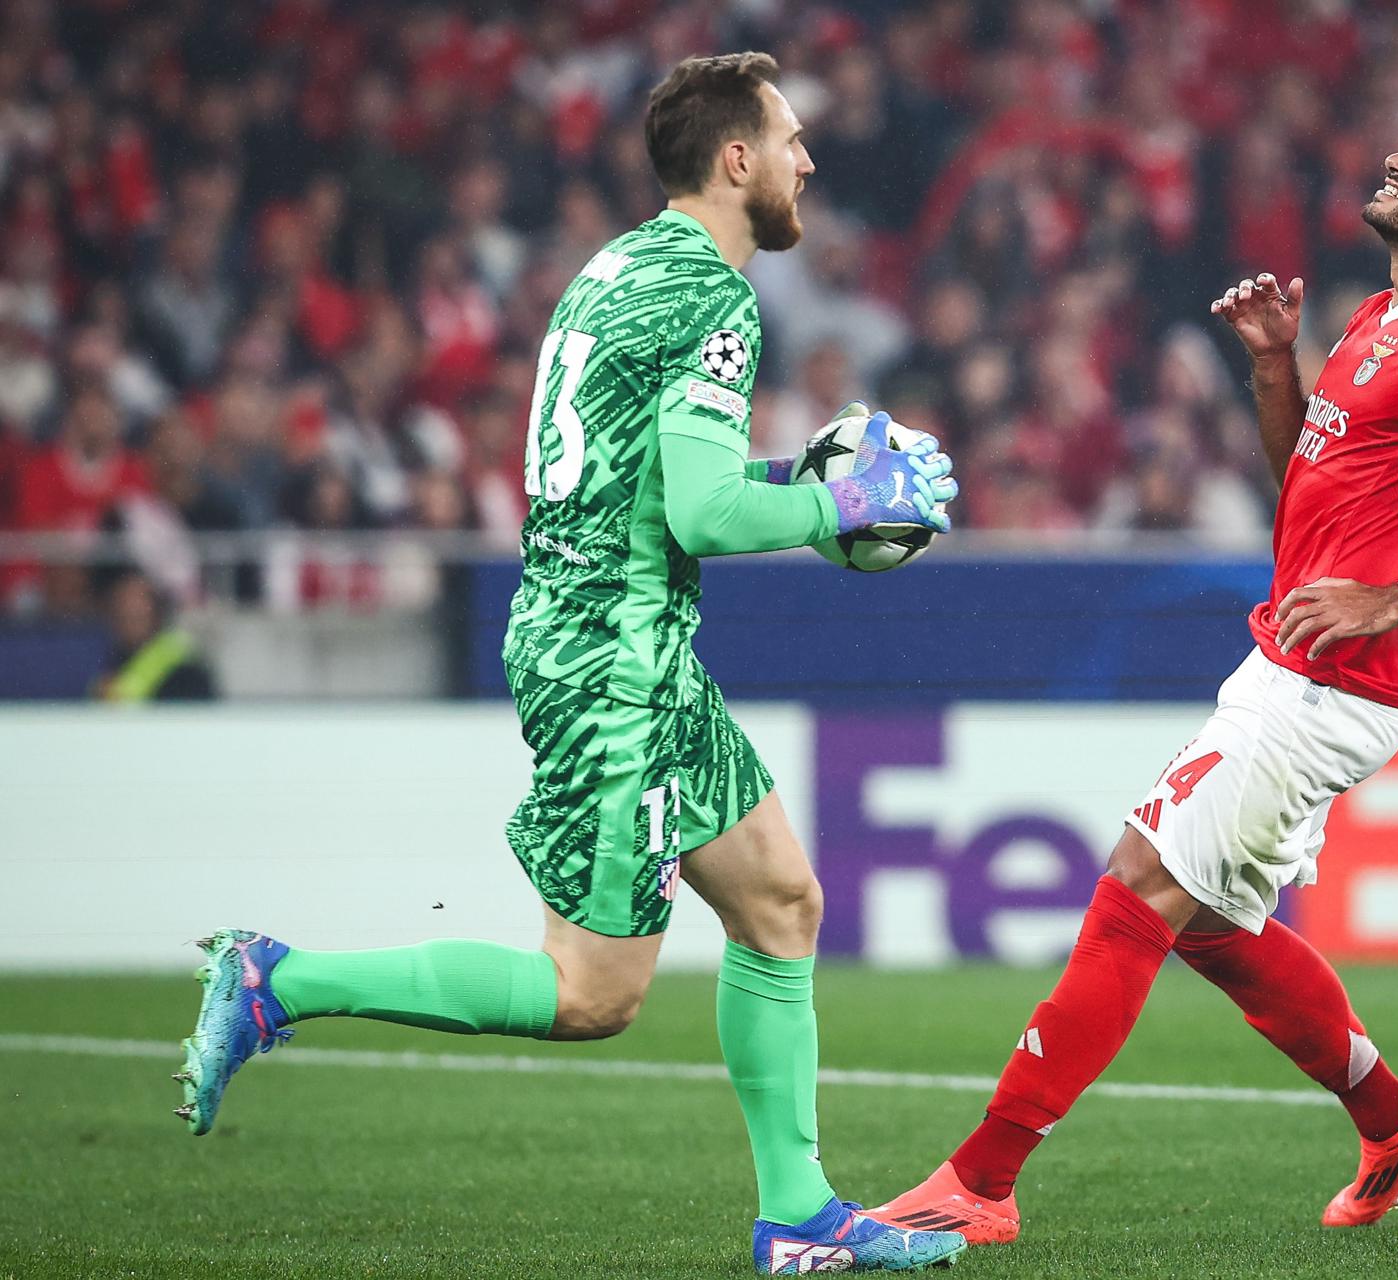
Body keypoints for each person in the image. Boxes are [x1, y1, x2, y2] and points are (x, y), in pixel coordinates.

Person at [175, 52, 965, 1276]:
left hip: (621, 632)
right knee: (591, 990)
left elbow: (656, 487)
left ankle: (800, 1215)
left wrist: (802, 485)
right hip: (614, 657)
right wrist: (830, 510)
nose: (812, 159)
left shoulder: (620, 266)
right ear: (737, 158)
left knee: (780, 901)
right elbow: (701, 516)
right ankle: (278, 978)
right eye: (793, 138)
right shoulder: (712, 293)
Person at [870, 108, 1398, 1240]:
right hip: (1289, 660)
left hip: (1335, 679)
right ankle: (1394, 1118)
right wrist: (1271, 367)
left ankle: (981, 1182)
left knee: (1138, 886)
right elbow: (1301, 487)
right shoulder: (1377, 318)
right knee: (1202, 920)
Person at [91, 570, 217, 702]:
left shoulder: (185, 667)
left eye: (138, 614)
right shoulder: (109, 660)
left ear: (157, 612)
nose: (131, 610)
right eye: (123, 609)